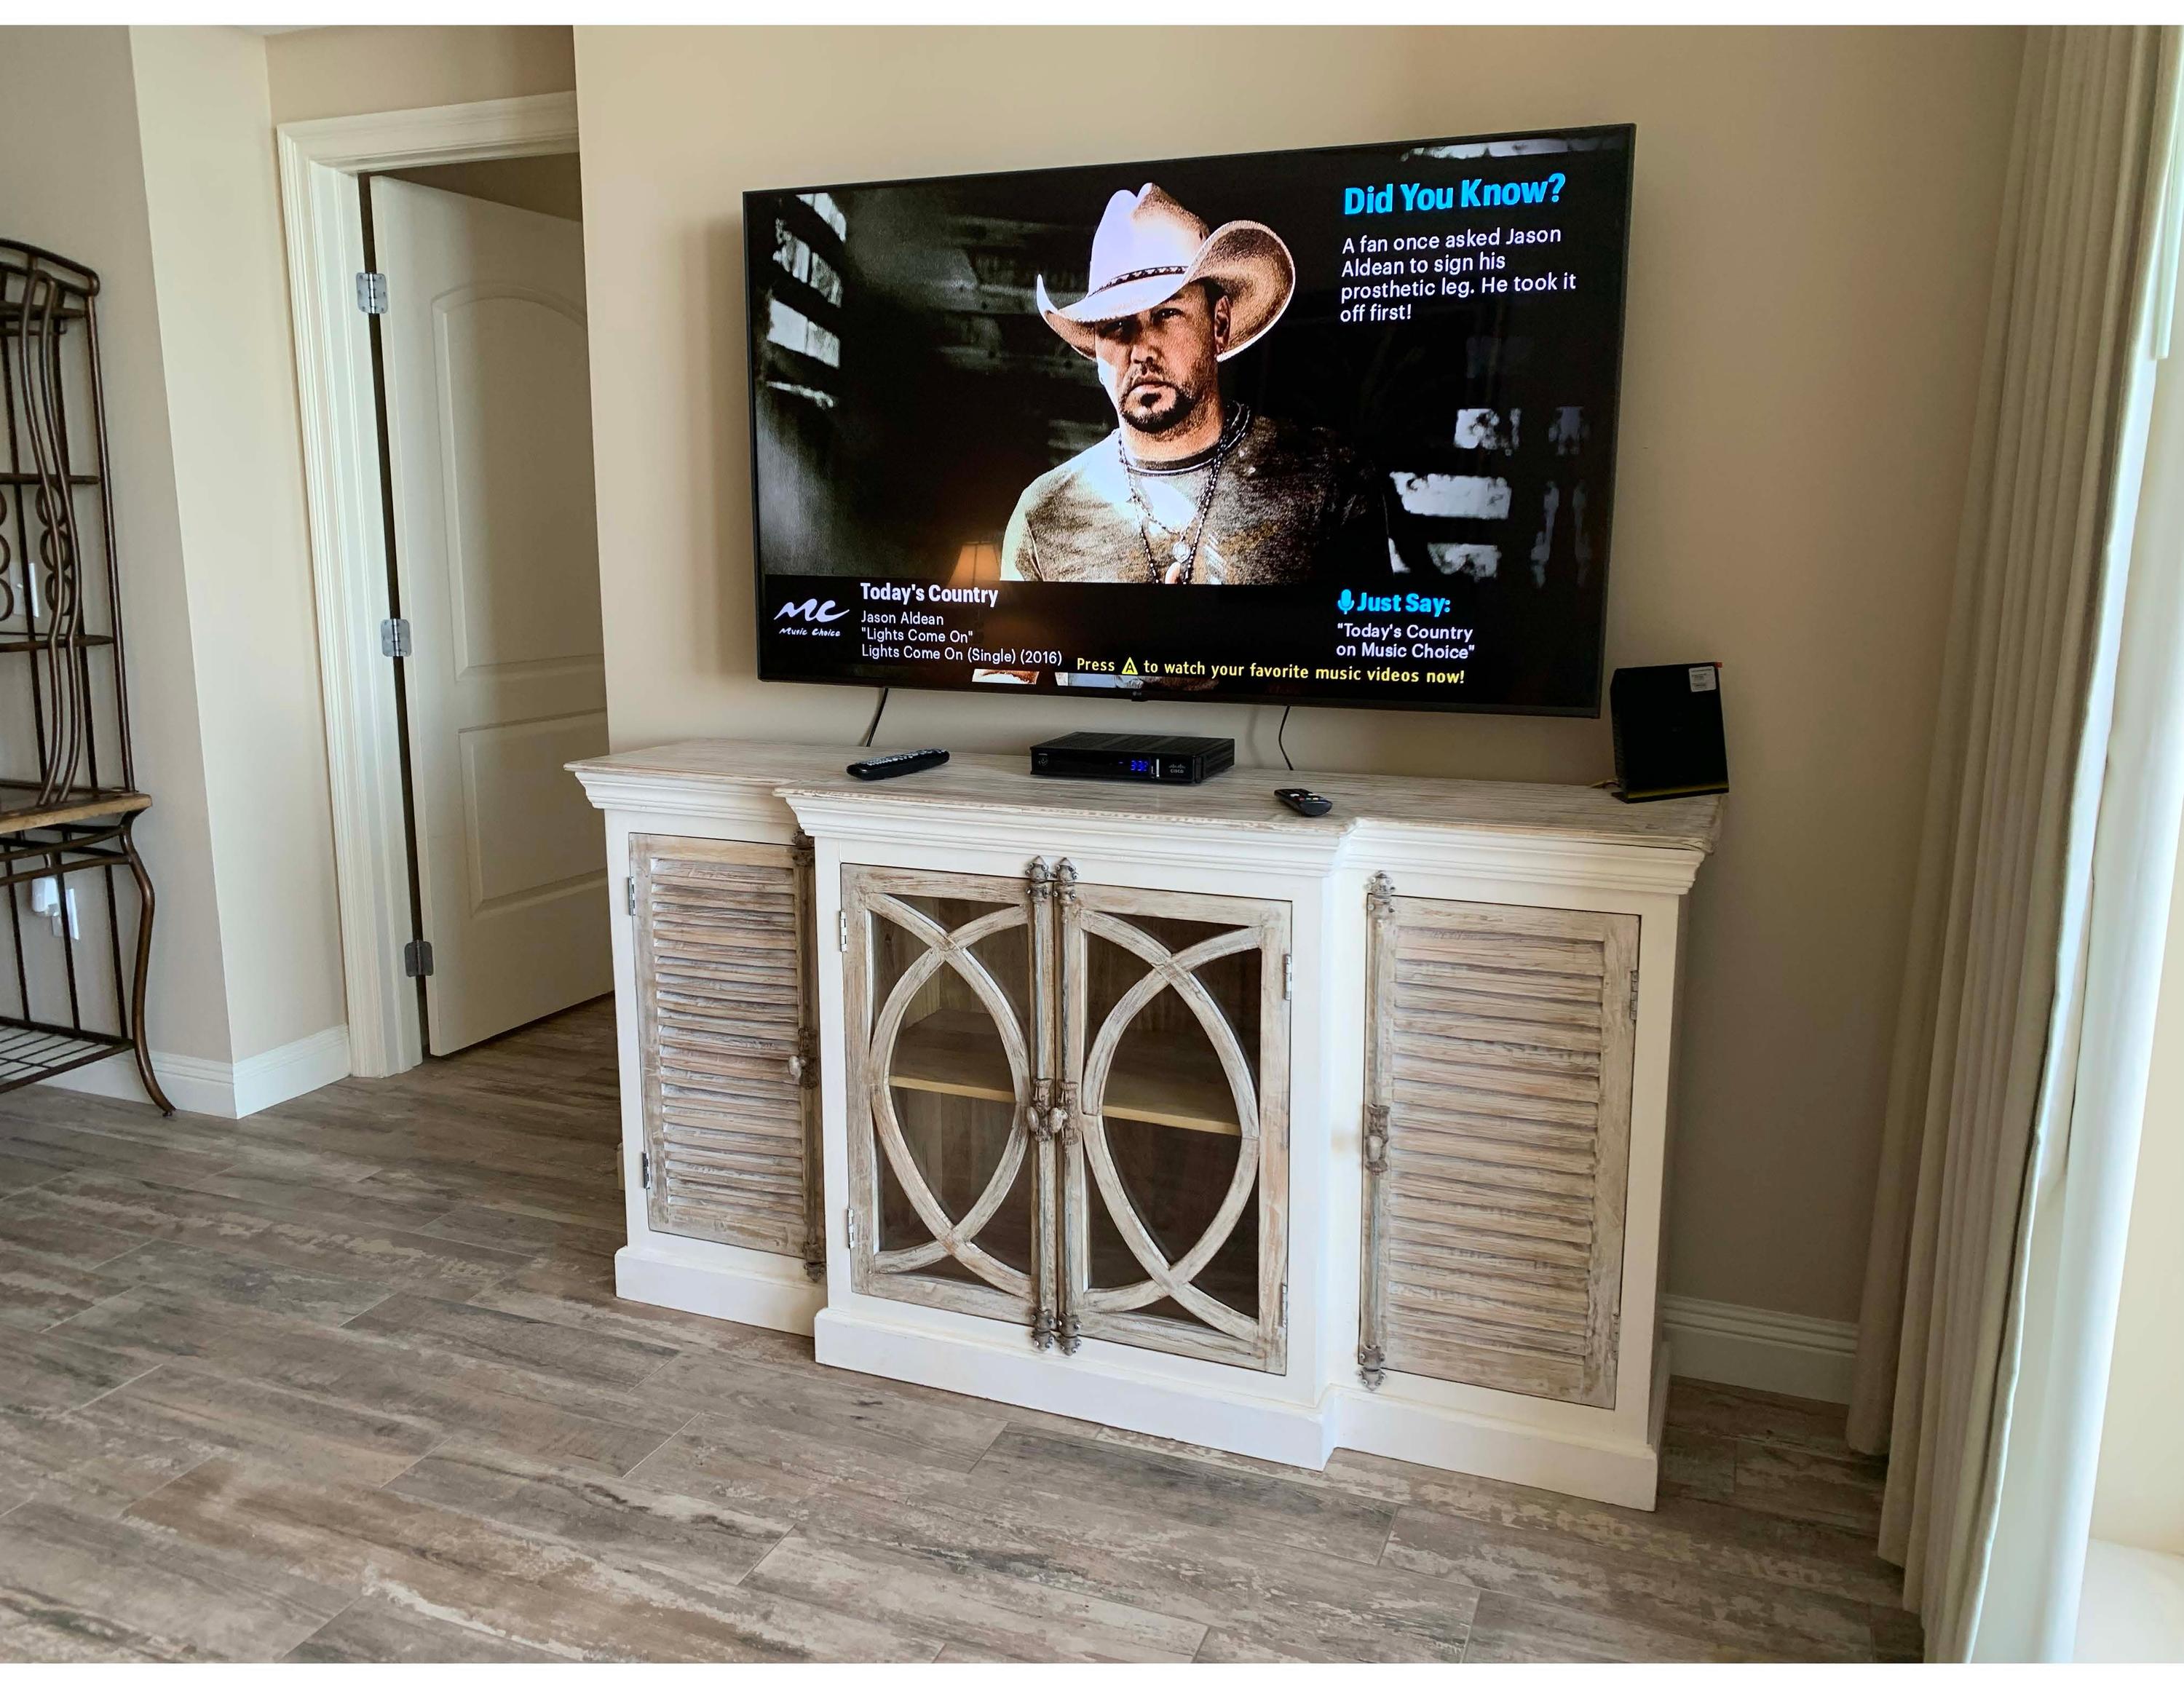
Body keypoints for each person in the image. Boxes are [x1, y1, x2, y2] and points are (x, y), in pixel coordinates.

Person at [1001, 184, 1389, 585]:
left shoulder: (1328, 483)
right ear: (1097, 350)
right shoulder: (1043, 519)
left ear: (1218, 325)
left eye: (1167, 314)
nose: (1141, 350)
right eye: (1117, 325)